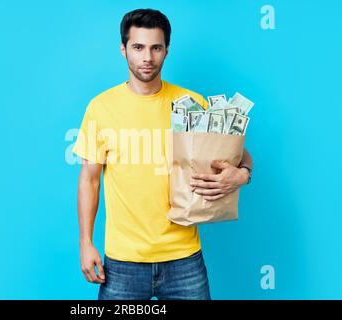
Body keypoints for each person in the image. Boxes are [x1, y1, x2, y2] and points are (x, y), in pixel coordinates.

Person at [72, 8, 253, 300]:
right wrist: (85, 243)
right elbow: (89, 180)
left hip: (184, 257)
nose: (147, 57)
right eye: (138, 47)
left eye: (156, 47)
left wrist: (241, 175)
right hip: (123, 262)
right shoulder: (101, 108)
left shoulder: (191, 102)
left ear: (167, 50)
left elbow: (241, 156)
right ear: (123, 49)